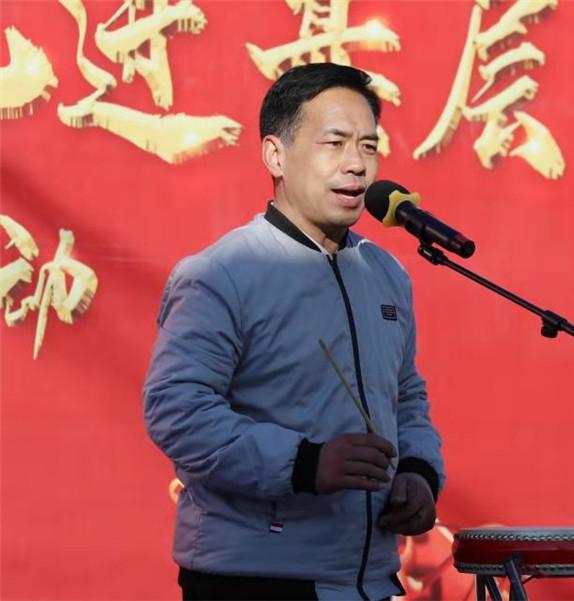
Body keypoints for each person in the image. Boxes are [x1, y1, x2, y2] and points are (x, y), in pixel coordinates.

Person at [143, 63, 445, 601]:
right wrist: (306, 463)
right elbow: (177, 410)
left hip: (367, 581)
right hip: (254, 579)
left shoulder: (385, 274)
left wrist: (418, 473)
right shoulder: (223, 273)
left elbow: (406, 396)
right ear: (275, 156)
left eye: (369, 146)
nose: (356, 164)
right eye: (335, 143)